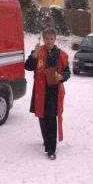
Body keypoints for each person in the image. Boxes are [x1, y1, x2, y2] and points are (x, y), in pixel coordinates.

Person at [25, 28, 70, 160]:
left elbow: (67, 72)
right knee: (42, 118)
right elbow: (27, 66)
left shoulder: (61, 54)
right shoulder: (38, 52)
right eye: (47, 38)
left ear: (55, 39)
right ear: (44, 39)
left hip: (54, 92)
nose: (49, 41)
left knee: (51, 119)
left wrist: (61, 76)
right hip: (40, 91)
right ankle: (46, 141)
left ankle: (52, 149)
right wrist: (34, 55)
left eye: (51, 39)